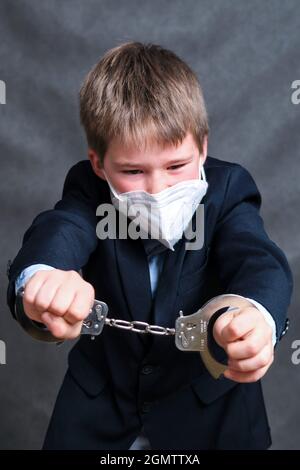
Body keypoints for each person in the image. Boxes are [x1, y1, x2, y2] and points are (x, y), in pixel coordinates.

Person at [7, 42, 292, 450]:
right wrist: (44, 276)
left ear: (203, 148)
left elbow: (258, 258)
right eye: (133, 171)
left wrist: (256, 315)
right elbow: (63, 228)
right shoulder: (90, 191)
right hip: (97, 422)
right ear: (98, 164)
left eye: (177, 165)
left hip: (214, 423)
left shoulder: (228, 191)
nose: (158, 189)